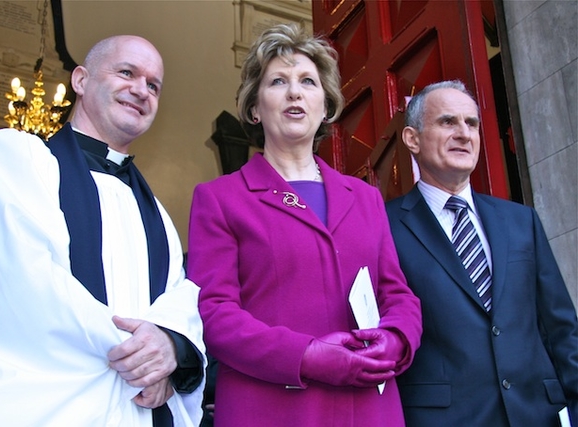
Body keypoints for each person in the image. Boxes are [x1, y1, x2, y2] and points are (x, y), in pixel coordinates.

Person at [0, 35, 205, 426]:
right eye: (127, 72)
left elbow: (180, 298)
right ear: (80, 80)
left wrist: (171, 348)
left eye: (153, 85)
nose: (141, 90)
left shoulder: (158, 214)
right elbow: (25, 283)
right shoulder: (11, 157)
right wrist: (146, 360)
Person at [187, 23, 422, 427]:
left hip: (370, 408)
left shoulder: (364, 196)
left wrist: (397, 340)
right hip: (271, 410)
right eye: (278, 81)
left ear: (326, 106)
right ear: (255, 108)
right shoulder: (220, 199)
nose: (295, 92)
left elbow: (396, 294)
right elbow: (215, 314)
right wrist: (306, 355)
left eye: (308, 82)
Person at [385, 80, 578, 427]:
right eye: (448, 122)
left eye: (471, 123)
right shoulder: (385, 226)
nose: (463, 133)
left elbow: (560, 325)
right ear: (412, 138)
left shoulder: (520, 220)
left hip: (537, 414)